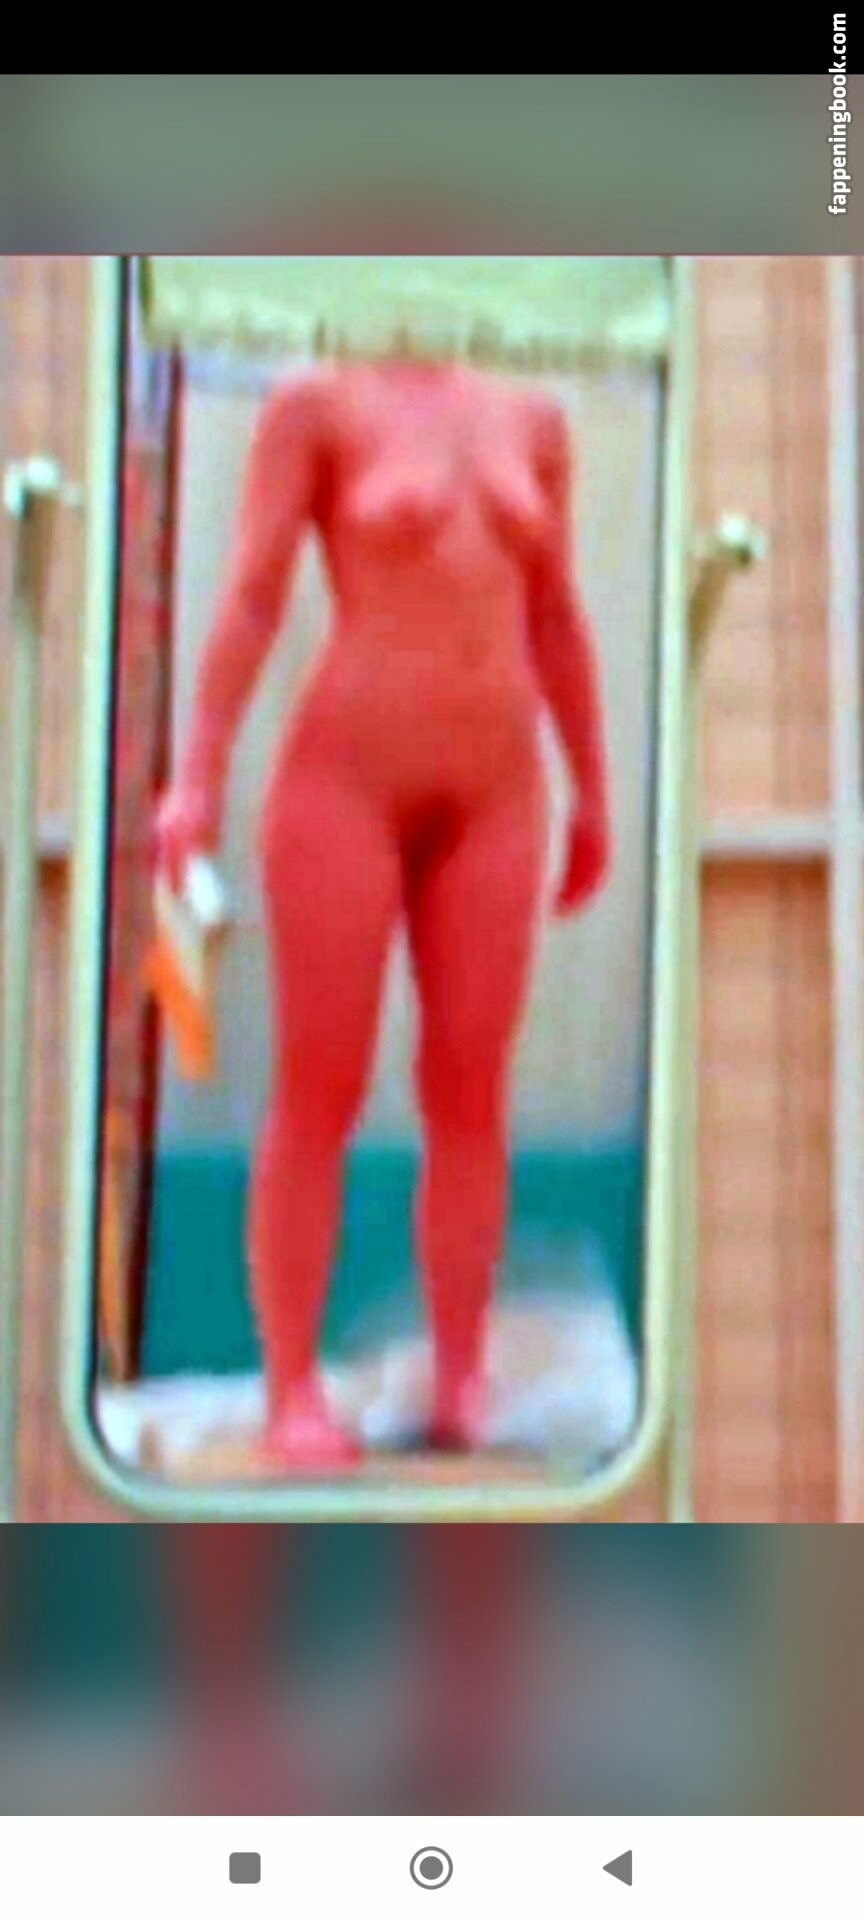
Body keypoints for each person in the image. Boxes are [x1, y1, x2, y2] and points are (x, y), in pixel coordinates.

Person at [156, 356, 610, 1469]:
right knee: (321, 1087)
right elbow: (254, 593)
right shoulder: (316, 402)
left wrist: (595, 788)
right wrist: (197, 776)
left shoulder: (534, 417)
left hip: (497, 793)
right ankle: (291, 1388)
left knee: (470, 1091)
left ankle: (461, 1378)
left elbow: (555, 613)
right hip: (343, 783)